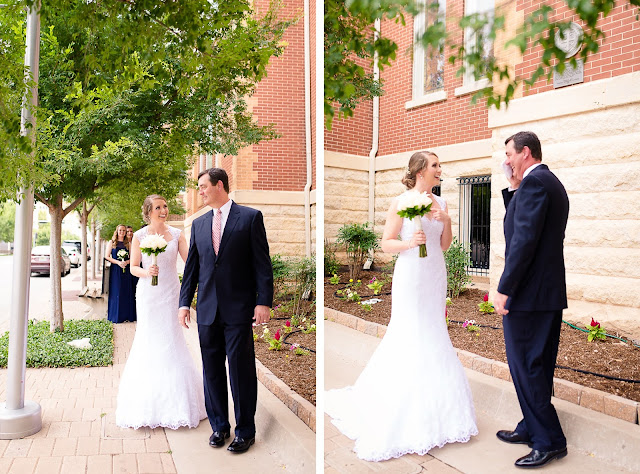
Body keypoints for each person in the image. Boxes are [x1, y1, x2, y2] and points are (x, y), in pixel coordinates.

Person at [325, 151, 478, 461]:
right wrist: (410, 243)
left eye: (439, 164)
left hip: (434, 273)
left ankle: (440, 412)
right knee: (410, 332)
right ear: (420, 171)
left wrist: (446, 221)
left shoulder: (442, 204)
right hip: (411, 274)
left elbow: (445, 245)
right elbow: (385, 242)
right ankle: (399, 406)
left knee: (434, 331)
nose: (439, 169)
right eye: (435, 165)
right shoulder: (402, 202)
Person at [179, 168, 273, 454]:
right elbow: (192, 268)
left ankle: (246, 430)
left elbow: (262, 264)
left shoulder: (250, 218)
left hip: (238, 309)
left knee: (241, 371)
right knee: (212, 371)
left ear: (219, 185)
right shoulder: (198, 224)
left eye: (204, 186)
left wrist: (263, 301)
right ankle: (219, 426)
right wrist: (184, 303)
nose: (201, 192)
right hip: (207, 309)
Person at [493, 131, 569, 469]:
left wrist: (505, 287)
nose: (506, 160)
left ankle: (548, 441)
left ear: (525, 152)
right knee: (535, 364)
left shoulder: (538, 184)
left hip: (530, 295)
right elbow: (521, 223)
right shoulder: (542, 182)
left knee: (527, 365)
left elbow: (523, 242)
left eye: (509, 154)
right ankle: (531, 425)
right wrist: (512, 186)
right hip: (544, 293)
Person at [115, 195, 207, 430]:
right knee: (148, 341)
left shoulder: (176, 235)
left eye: (165, 206)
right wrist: (147, 272)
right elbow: (134, 267)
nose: (164, 210)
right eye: (158, 207)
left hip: (170, 295)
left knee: (172, 341)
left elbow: (191, 262)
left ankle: (178, 403)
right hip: (148, 296)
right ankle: (148, 404)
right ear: (148, 212)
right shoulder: (139, 236)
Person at [106, 225, 136, 323]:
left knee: (126, 291)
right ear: (117, 231)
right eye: (120, 230)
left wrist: (126, 262)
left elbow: (133, 257)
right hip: (115, 270)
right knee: (116, 291)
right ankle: (116, 316)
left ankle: (127, 315)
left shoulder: (128, 244)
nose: (122, 232)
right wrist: (118, 262)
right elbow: (107, 256)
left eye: (124, 230)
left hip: (126, 270)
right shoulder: (112, 242)